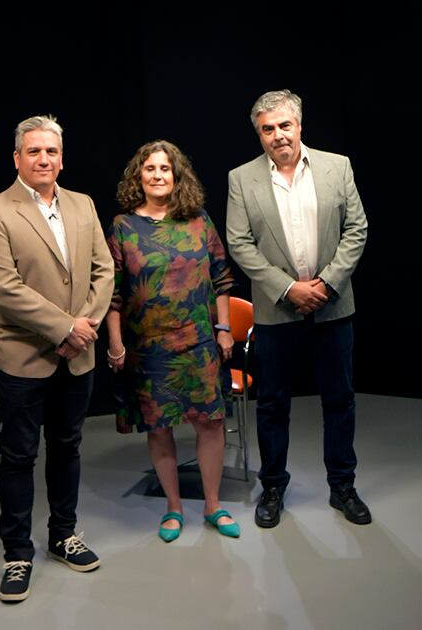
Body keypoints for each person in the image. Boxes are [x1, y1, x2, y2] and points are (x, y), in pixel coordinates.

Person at [0, 114, 113, 604]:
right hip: (22, 358)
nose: (43, 159)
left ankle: (63, 534)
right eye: (33, 152)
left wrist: (84, 328)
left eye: (51, 151)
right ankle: (17, 553)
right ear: (17, 158)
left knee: (69, 447)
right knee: (18, 456)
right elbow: (5, 289)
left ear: (61, 157)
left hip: (78, 355)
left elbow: (104, 269)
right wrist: (64, 328)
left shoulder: (83, 204)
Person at [225, 89, 371, 528]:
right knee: (272, 404)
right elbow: (239, 243)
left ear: (299, 126)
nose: (277, 136)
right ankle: (273, 488)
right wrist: (289, 288)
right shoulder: (241, 178)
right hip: (276, 310)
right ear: (259, 134)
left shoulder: (336, 166)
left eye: (284, 126)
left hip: (332, 305)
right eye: (267, 129)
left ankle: (342, 486)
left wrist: (325, 284)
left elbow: (357, 230)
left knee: (339, 400)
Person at [104, 140, 239, 543]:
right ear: (138, 176)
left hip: (199, 343)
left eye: (166, 169)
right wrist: (115, 345)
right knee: (159, 428)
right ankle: (174, 507)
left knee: (210, 424)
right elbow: (111, 294)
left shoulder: (199, 221)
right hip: (149, 348)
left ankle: (213, 505)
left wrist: (225, 328)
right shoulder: (123, 228)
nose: (158, 175)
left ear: (177, 177)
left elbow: (222, 278)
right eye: (150, 169)